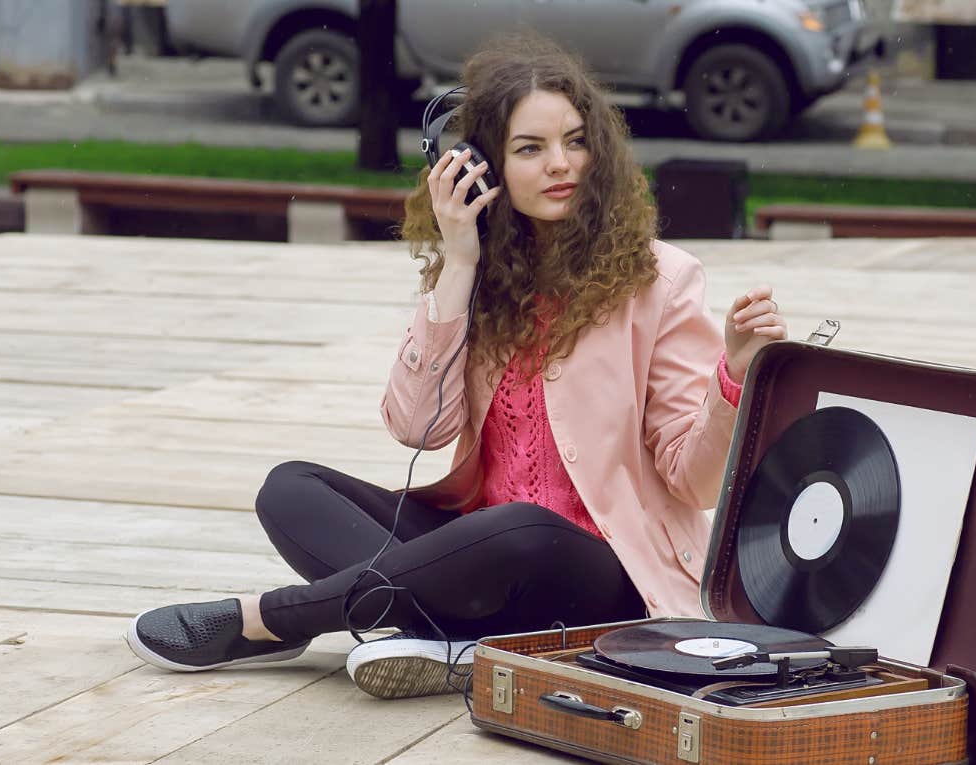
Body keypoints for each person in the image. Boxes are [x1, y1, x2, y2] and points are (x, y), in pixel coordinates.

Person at [123, 34, 786, 700]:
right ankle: (459, 640)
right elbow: (417, 429)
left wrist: (733, 377)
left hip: (598, 571)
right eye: (530, 148)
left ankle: (275, 619)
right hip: (475, 556)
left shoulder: (663, 279)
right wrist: (460, 263)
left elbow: (695, 482)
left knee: (518, 528)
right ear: (481, 166)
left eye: (576, 141)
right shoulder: (479, 275)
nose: (562, 165)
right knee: (289, 488)